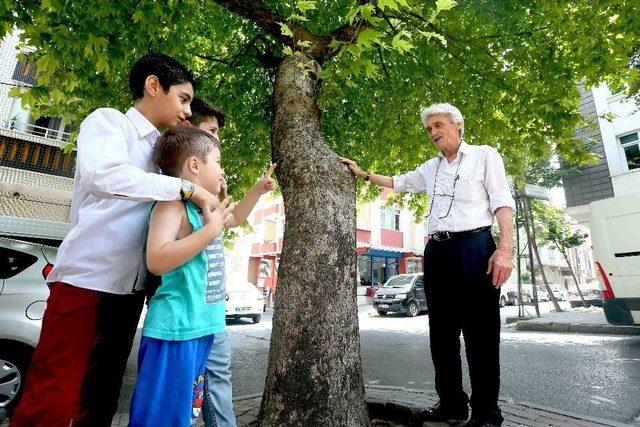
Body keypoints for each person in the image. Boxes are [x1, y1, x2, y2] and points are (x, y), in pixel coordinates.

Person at [10, 53, 221, 427]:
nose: (188, 111)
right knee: (54, 393)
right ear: (153, 86)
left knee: (100, 397)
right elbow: (103, 175)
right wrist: (186, 187)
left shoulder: (163, 155)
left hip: (130, 292)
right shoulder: (109, 122)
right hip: (86, 281)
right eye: (184, 98)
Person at [339, 103, 514, 427]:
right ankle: (451, 406)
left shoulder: (485, 155)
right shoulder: (430, 169)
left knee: (481, 335)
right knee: (442, 335)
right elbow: (399, 181)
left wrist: (505, 248)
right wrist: (362, 173)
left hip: (475, 248)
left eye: (438, 125)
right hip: (437, 253)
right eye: (429, 128)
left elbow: (502, 201)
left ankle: (488, 413)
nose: (433, 132)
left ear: (457, 124)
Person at [129, 126, 235, 426]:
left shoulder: (202, 210)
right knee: (160, 418)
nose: (222, 169)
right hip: (174, 331)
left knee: (183, 416)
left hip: (201, 328)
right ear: (195, 165)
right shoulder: (171, 205)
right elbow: (157, 260)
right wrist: (210, 231)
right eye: (218, 161)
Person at [185, 97, 277, 427]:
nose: (217, 140)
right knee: (187, 389)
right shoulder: (177, 191)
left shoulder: (208, 184)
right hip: (187, 306)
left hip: (210, 306)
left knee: (216, 381)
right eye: (211, 131)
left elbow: (230, 219)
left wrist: (256, 190)